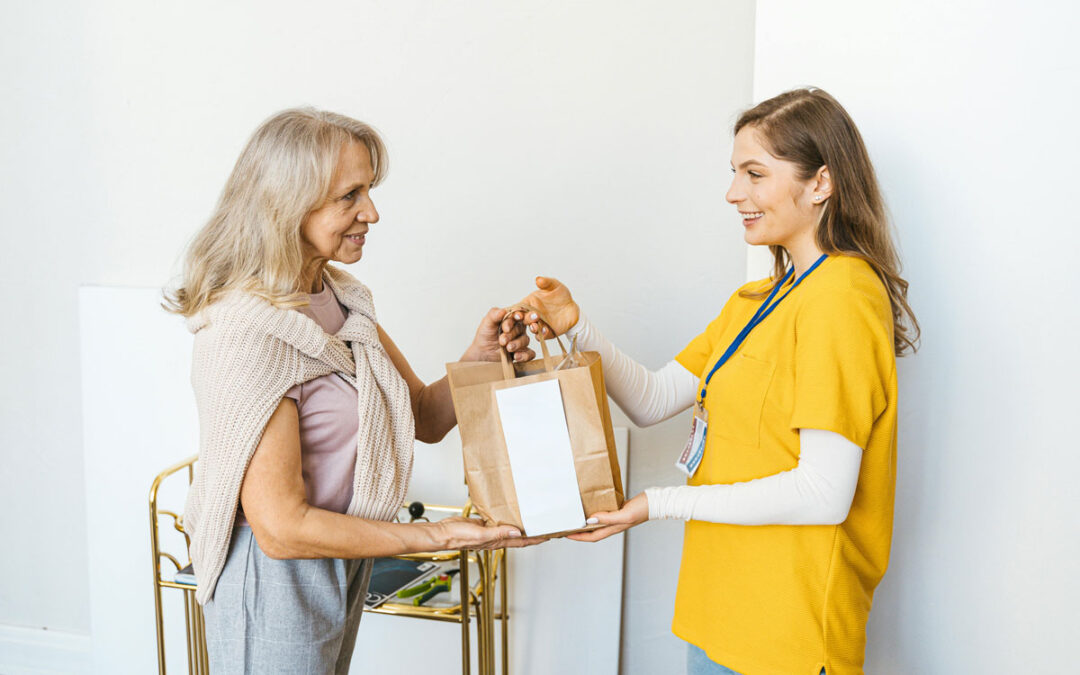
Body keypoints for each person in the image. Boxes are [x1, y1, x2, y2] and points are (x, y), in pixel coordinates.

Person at [512, 88, 919, 675]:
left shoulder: (843, 298)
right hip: (716, 611)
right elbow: (653, 399)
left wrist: (657, 503)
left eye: (754, 174)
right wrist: (577, 328)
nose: (734, 194)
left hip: (785, 632)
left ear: (821, 183)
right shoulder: (758, 298)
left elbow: (823, 493)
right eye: (734, 173)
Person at [164, 108, 540, 674]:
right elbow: (283, 528)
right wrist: (431, 535)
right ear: (287, 204)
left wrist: (480, 362)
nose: (372, 212)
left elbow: (420, 416)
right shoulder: (245, 331)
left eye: (369, 190)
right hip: (273, 575)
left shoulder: (343, 298)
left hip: (340, 552)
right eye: (350, 196)